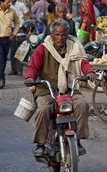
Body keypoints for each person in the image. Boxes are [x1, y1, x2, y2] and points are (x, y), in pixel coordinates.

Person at [25, 19, 96, 157]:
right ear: (51, 35)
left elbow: (82, 62)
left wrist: (90, 72)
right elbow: (33, 67)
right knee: (44, 108)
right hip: (46, 89)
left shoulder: (73, 47)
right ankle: (40, 143)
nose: (60, 38)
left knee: (81, 104)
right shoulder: (43, 49)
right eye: (57, 35)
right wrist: (30, 78)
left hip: (69, 88)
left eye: (63, 34)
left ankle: (78, 139)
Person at [0, 0, 20, 89]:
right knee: (1, 59)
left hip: (7, 39)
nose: (9, 4)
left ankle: (0, 78)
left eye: (9, 2)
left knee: (3, 59)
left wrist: (14, 33)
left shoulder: (12, 11)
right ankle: (1, 79)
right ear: (1, 3)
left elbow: (17, 22)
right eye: (7, 2)